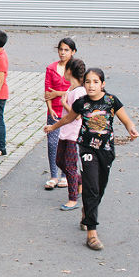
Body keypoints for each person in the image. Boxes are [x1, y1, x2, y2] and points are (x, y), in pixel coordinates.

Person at [45, 68, 139, 251]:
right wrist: (52, 127)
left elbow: (125, 120)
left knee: (100, 188)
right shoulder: (81, 103)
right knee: (91, 187)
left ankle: (86, 212)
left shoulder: (111, 101)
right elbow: (68, 119)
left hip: (106, 150)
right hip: (87, 149)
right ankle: (92, 233)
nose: (91, 85)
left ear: (102, 84)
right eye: (88, 82)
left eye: (95, 82)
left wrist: (131, 129)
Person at [44, 37, 77, 190]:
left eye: (66, 50)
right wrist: (50, 108)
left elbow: (76, 90)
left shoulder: (75, 68)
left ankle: (65, 175)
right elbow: (47, 91)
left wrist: (57, 93)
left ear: (73, 52)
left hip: (70, 112)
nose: (63, 53)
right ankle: (53, 175)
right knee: (52, 143)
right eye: (61, 49)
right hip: (54, 111)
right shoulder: (51, 68)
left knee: (67, 144)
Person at [55, 59, 86, 211]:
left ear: (69, 71)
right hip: (65, 132)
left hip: (74, 134)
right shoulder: (71, 89)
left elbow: (78, 115)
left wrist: (64, 104)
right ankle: (80, 181)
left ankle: (73, 199)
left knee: (70, 165)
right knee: (60, 161)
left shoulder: (80, 91)